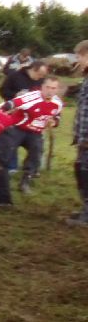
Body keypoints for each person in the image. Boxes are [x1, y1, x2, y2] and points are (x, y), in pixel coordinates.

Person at [3, 77, 63, 193]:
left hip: (35, 132)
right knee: (5, 152)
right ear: (42, 87)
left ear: (57, 90)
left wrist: (54, 122)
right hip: (18, 128)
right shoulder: (32, 97)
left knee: (36, 154)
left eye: (53, 88)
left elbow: (57, 117)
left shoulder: (58, 103)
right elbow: (10, 104)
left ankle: (25, 181)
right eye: (47, 87)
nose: (50, 91)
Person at [68, 41, 88, 227]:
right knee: (80, 171)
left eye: (80, 56)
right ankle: (85, 209)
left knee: (86, 173)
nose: (78, 60)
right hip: (83, 138)